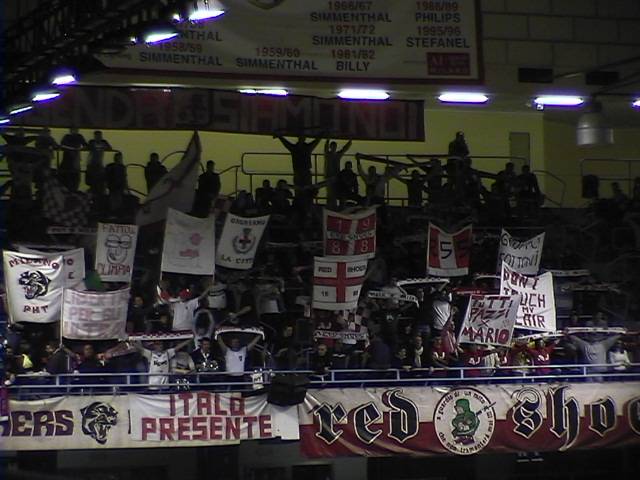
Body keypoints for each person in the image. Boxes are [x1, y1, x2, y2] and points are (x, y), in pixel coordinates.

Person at [324, 138, 352, 208]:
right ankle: (332, 207)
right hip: (331, 177)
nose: (334, 148)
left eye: (334, 147)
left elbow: (344, 149)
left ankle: (332, 207)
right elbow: (344, 149)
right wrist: (350, 142)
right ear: (331, 147)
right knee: (331, 193)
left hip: (333, 177)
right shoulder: (333, 155)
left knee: (332, 193)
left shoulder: (330, 154)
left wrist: (349, 142)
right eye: (333, 147)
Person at [59, 127, 87, 191]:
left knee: (74, 174)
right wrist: (74, 149)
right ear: (70, 130)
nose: (75, 131)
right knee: (69, 174)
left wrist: (78, 149)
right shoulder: (67, 137)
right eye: (73, 130)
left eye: (76, 130)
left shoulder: (79, 136)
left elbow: (85, 145)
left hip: (74, 158)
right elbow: (62, 145)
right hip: (68, 158)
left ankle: (73, 189)